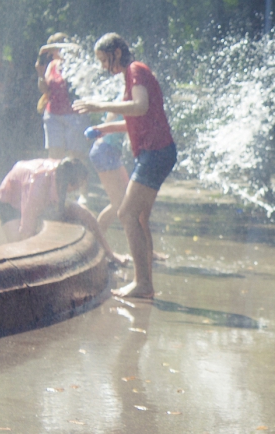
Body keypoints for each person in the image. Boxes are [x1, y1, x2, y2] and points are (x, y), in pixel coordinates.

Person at [73, 33, 177, 299]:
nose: (102, 66)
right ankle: (145, 283)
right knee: (139, 217)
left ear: (117, 52)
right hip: (157, 152)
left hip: (155, 153)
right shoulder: (132, 75)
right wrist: (104, 128)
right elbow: (137, 119)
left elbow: (140, 107)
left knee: (127, 213)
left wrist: (99, 105)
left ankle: (142, 283)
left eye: (103, 60)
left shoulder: (135, 70)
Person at [0, 157, 127, 265]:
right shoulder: (38, 185)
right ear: (70, 184)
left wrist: (109, 254)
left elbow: (87, 217)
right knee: (19, 247)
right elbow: (27, 229)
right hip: (9, 201)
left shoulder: (64, 169)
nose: (78, 189)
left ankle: (110, 254)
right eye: (78, 186)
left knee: (85, 214)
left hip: (39, 194)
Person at [35, 33, 89, 162]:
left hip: (74, 115)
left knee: (75, 157)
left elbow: (76, 48)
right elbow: (44, 89)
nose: (50, 53)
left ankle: (76, 176)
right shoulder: (52, 65)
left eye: (53, 49)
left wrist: (48, 47)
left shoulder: (75, 62)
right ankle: (56, 175)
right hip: (53, 114)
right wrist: (40, 74)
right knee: (54, 157)